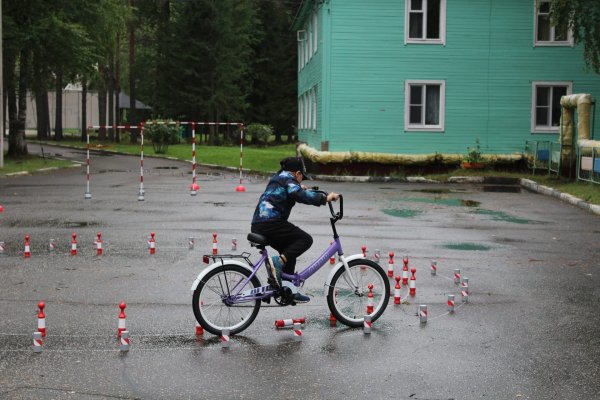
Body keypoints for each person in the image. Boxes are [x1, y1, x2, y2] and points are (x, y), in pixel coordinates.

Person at [251, 156, 339, 303]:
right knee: (305, 239)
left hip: (259, 224)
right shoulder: (289, 179)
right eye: (302, 178)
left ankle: (288, 290)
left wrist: (299, 187)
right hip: (271, 223)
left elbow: (292, 191)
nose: (301, 181)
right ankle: (277, 263)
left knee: (289, 251)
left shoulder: (280, 177)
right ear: (297, 173)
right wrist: (325, 198)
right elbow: (297, 193)